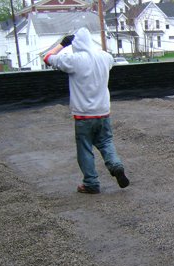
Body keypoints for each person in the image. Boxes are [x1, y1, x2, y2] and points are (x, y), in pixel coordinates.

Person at [43, 27, 130, 194]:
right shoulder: (105, 58)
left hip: (83, 115)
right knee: (106, 142)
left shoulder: (73, 60)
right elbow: (107, 58)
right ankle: (116, 165)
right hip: (103, 112)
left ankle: (91, 183)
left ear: (76, 44)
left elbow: (47, 58)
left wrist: (62, 44)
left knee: (85, 149)